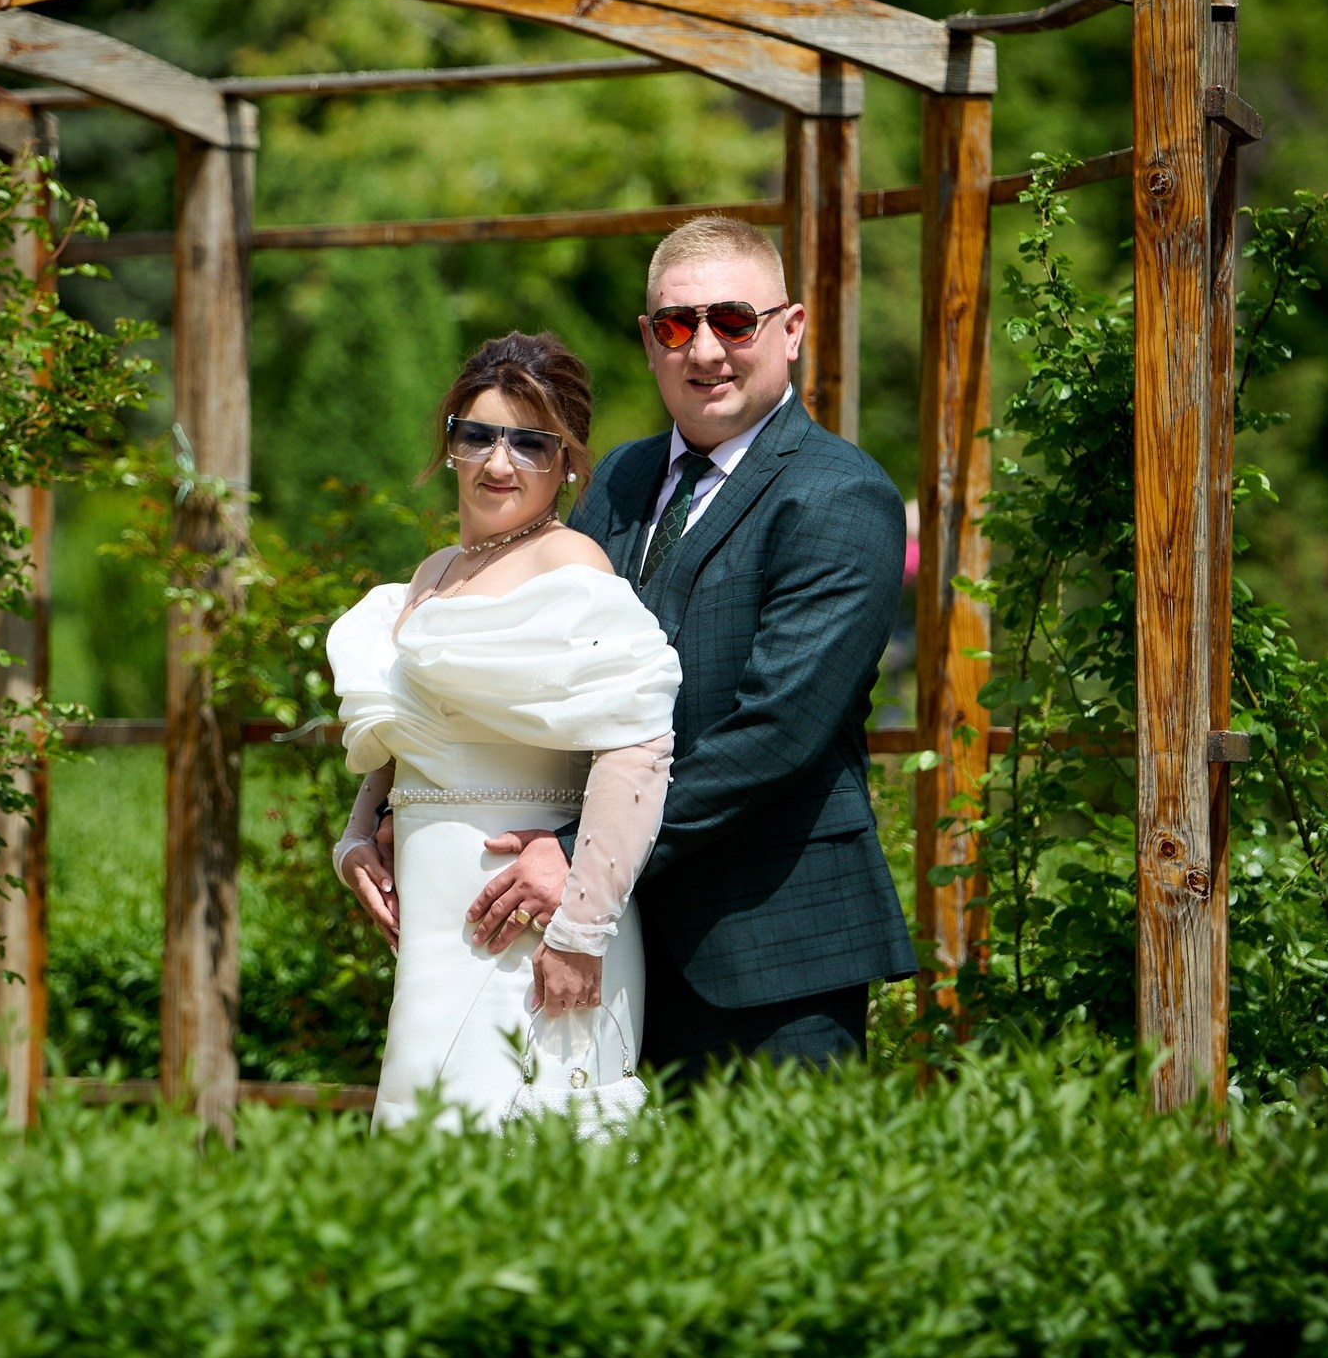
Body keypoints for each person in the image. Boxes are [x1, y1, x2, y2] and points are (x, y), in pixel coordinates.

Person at [466, 215, 916, 1073]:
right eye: (678, 325)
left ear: (791, 329)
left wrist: (581, 855)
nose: (705, 349)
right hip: (611, 946)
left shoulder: (841, 494)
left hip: (771, 955)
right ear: (649, 341)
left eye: (734, 321)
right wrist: (411, 807)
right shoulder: (619, 479)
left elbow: (775, 733)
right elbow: (533, 665)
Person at [326, 332, 680, 1130]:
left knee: (521, 1171)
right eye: (478, 434)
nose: (498, 462)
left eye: (530, 443)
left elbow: (638, 746)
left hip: (529, 934)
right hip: (434, 937)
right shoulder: (434, 573)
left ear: (568, 462)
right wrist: (357, 837)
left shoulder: (571, 563)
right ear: (450, 440)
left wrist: (582, 930)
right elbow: (408, 724)